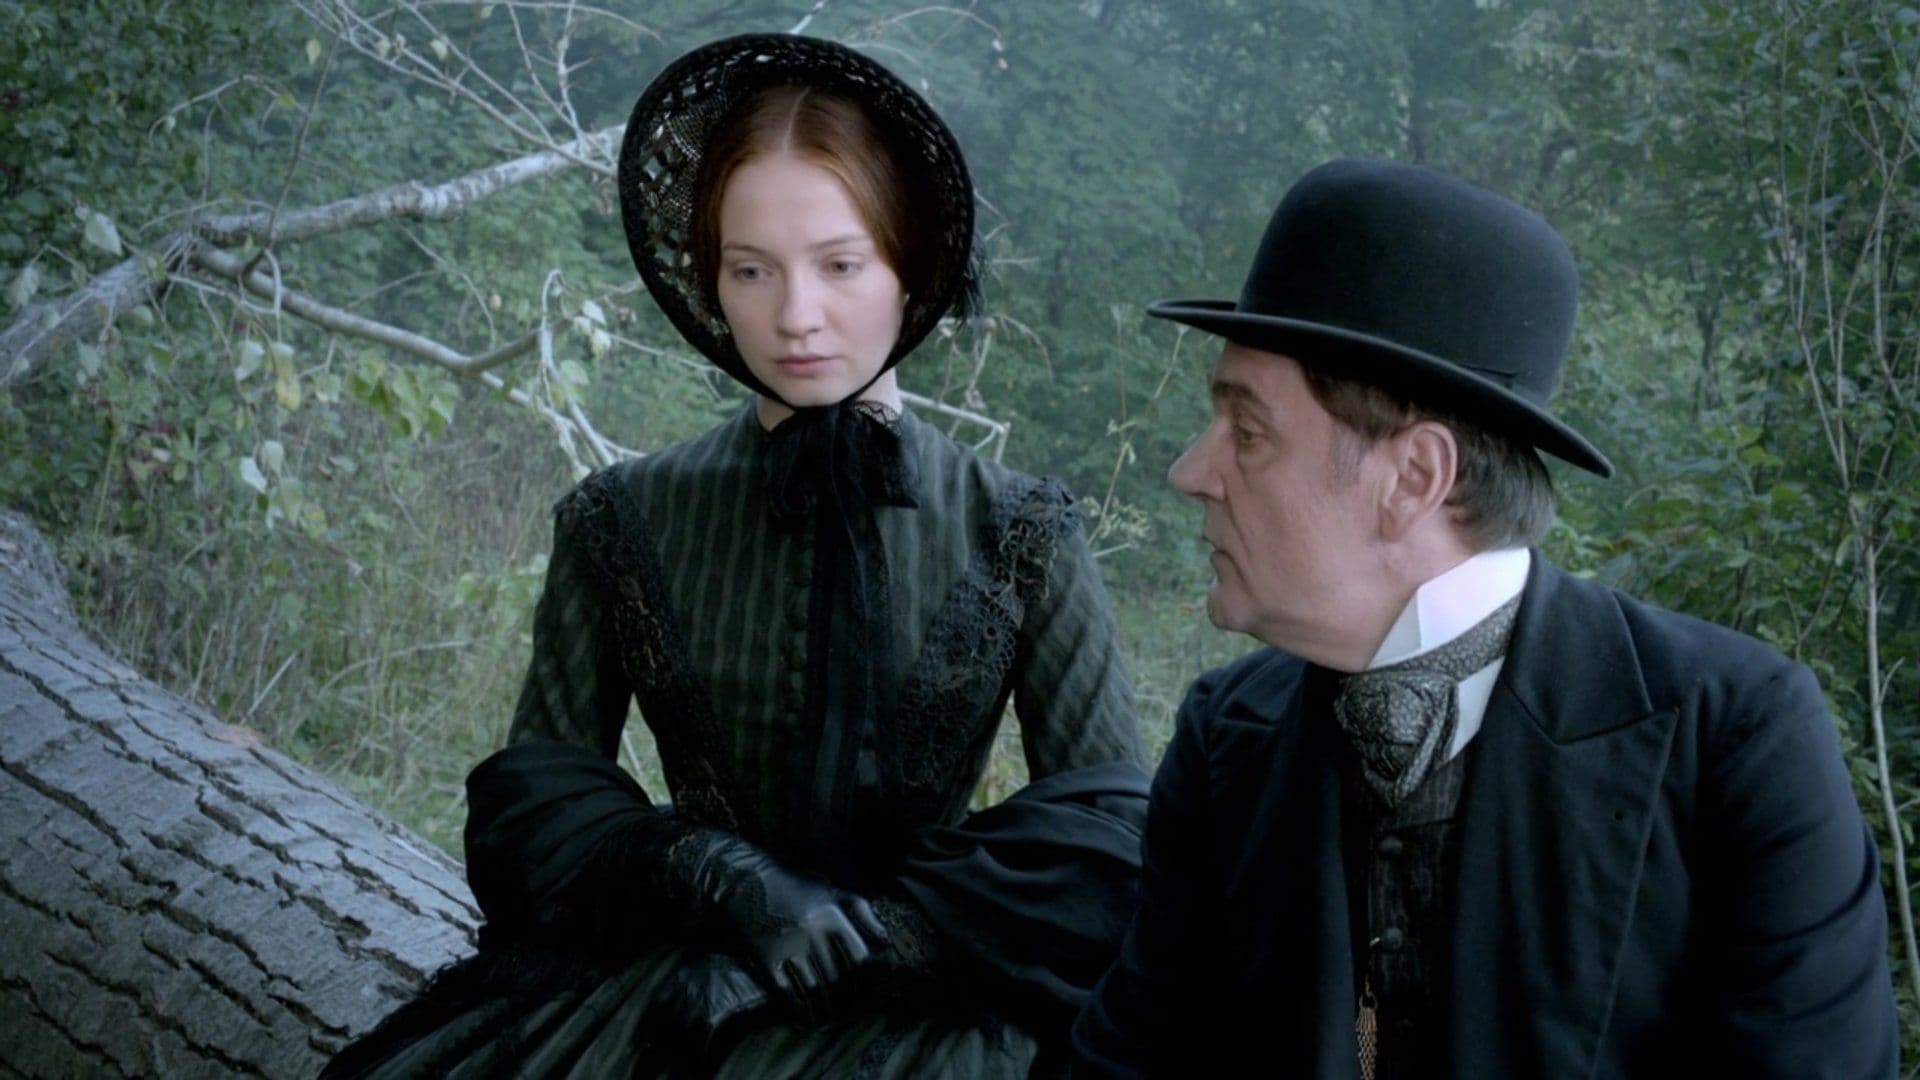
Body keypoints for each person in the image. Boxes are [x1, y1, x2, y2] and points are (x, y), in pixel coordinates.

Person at [325, 33, 1148, 1079]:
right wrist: (714, 872)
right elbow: (535, 822)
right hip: (663, 996)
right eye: (751, 270)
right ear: (711, 279)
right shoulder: (621, 517)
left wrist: (866, 943)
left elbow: (1112, 847)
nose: (795, 317)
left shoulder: (1023, 529)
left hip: (937, 1010)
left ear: (910, 264)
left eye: (841, 265)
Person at [1070, 158, 1899, 1078]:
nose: (1191, 471)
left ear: (1414, 478)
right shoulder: (1225, 738)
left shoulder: (1736, 740)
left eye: (1248, 432)